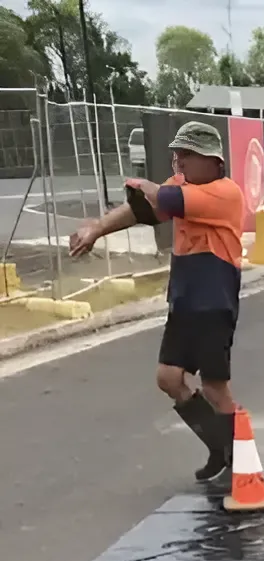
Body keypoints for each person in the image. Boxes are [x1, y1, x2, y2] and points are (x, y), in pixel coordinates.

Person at [69, 122, 244, 490]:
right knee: (168, 378)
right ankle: (219, 449)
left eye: (187, 154)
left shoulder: (223, 192)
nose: (178, 160)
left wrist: (144, 186)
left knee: (214, 388)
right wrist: (97, 228)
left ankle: (242, 463)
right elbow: (142, 212)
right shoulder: (179, 187)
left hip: (214, 301)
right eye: (177, 153)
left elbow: (162, 201)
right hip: (183, 299)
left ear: (213, 160)